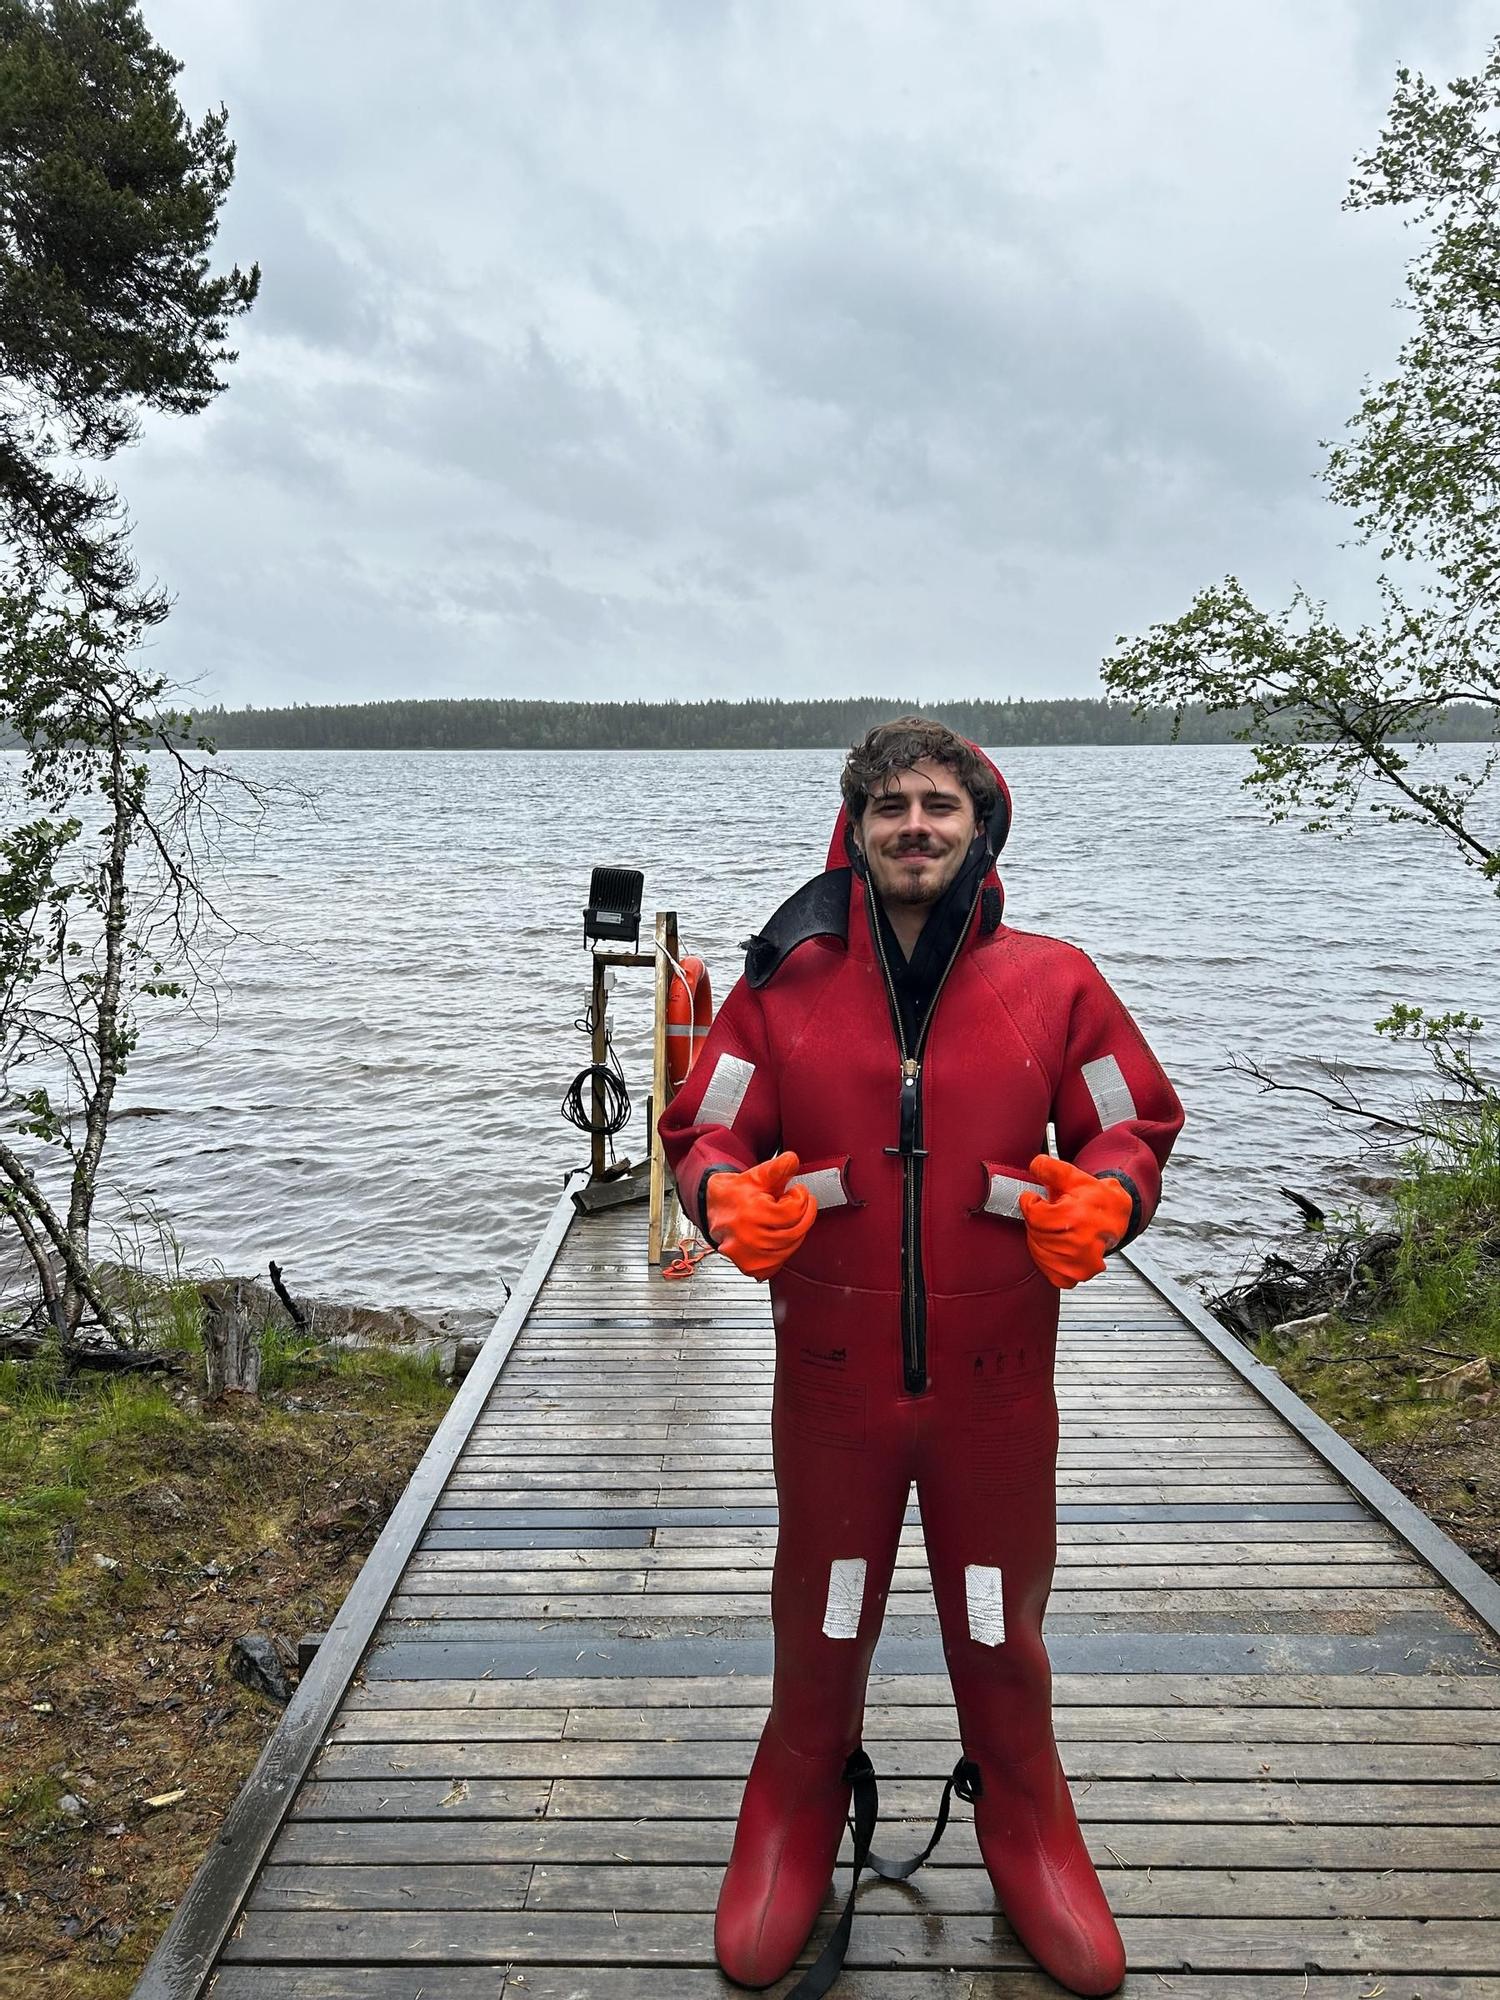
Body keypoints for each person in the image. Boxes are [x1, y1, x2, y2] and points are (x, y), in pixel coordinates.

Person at [659, 717, 1184, 1997]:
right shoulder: (782, 987)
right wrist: (727, 1200)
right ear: (854, 826)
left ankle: (1025, 1815)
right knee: (824, 1617)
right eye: (891, 803)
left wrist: (1105, 1199)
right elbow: (705, 1123)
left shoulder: (1058, 984)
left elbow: (1133, 1122)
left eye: (939, 804)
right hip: (835, 1385)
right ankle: (795, 1800)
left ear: (979, 825)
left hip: (995, 1391)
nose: (915, 824)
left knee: (1001, 1629)